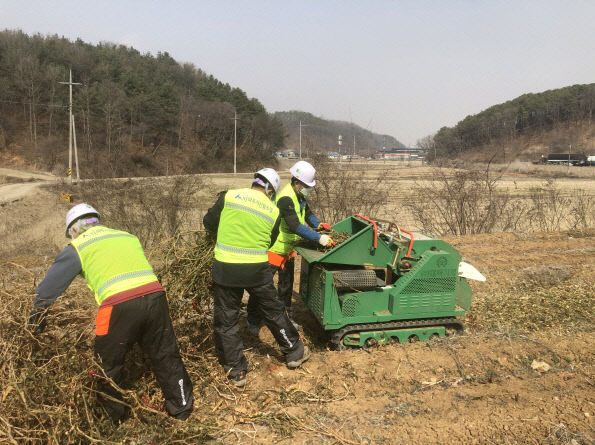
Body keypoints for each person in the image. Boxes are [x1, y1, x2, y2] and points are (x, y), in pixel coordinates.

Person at [28, 203, 194, 423]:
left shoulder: (78, 246)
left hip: (117, 306)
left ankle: (114, 419)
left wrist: (34, 323)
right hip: (156, 298)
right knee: (165, 353)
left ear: (73, 230)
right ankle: (182, 409)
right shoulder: (126, 236)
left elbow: (47, 291)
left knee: (106, 365)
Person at [203, 168, 311, 387]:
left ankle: (236, 372)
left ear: (256, 182)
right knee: (273, 311)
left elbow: (209, 223)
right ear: (270, 190)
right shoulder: (273, 211)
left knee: (226, 321)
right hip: (257, 270)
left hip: (226, 269)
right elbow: (270, 242)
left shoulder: (229, 196)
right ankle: (294, 352)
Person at [247, 160, 333, 333]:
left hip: (288, 250)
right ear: (297, 183)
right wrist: (319, 238)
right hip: (274, 248)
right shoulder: (285, 197)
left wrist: (318, 224)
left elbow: (307, 213)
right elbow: (294, 225)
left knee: (286, 286)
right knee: (262, 286)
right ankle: (253, 321)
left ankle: (285, 318)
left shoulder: (299, 196)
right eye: (307, 186)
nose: (309, 189)